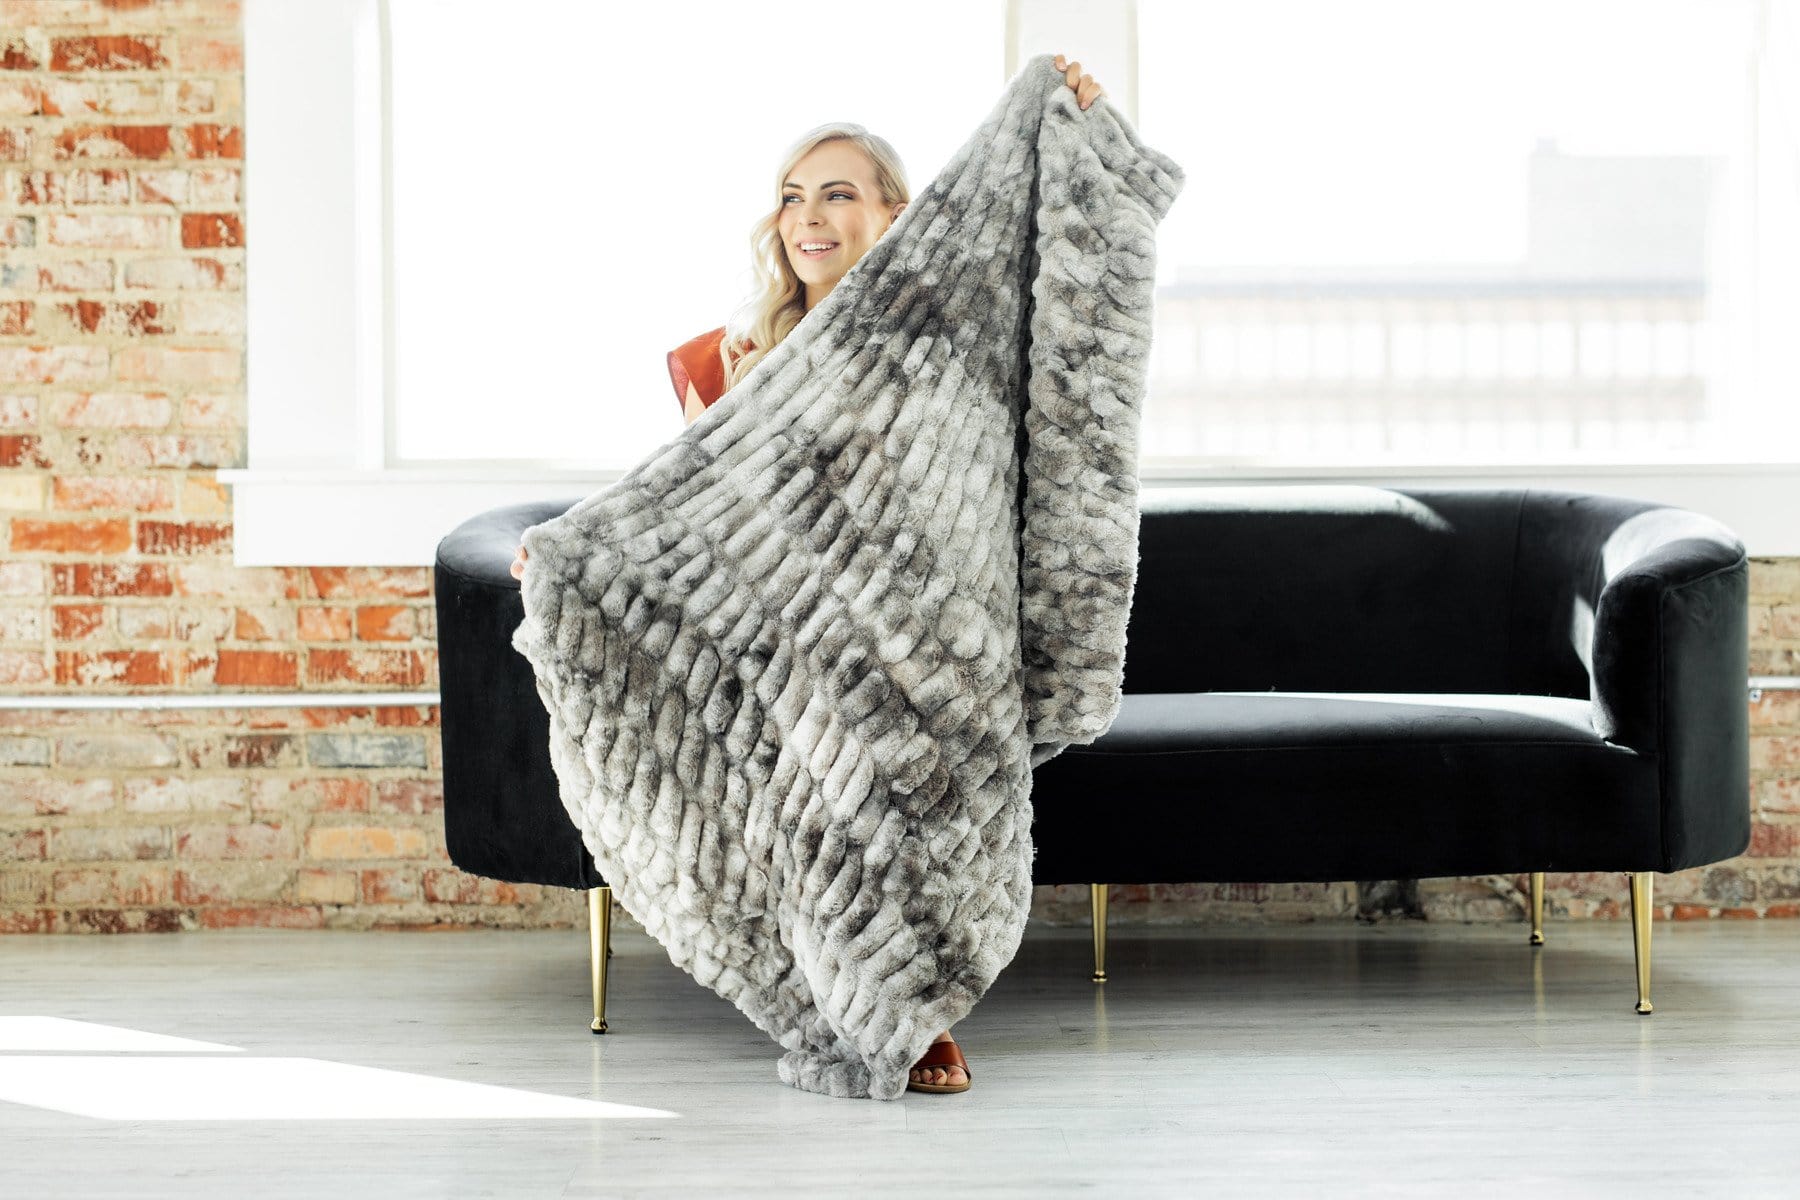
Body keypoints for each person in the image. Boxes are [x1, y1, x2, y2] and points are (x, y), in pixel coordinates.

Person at [512, 54, 1107, 1095]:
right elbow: (687, 508)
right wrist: (576, 546)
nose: (809, 215)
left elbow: (1064, 310)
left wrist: (1081, 133)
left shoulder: (943, 339)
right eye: (793, 196)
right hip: (791, 641)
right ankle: (877, 1006)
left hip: (921, 629)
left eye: (838, 192)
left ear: (898, 212)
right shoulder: (726, 360)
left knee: (901, 730)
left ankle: (914, 1001)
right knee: (825, 734)